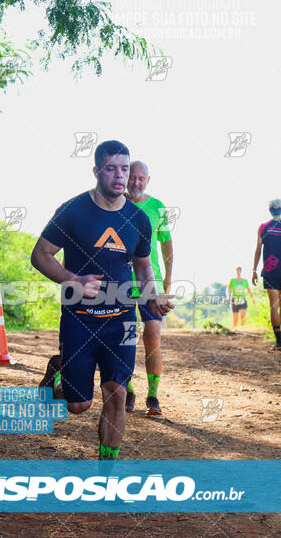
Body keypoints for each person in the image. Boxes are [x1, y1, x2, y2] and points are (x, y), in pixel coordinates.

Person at [31, 140, 174, 460]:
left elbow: (143, 267)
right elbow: (40, 255)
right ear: (96, 171)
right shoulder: (73, 211)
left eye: (125, 168)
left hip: (120, 320)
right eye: (111, 168)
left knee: (117, 393)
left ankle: (107, 471)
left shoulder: (139, 219)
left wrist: (153, 299)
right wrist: (74, 280)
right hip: (79, 318)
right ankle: (59, 372)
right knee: (79, 405)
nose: (120, 176)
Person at [125, 161, 173, 416]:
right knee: (125, 337)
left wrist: (167, 281)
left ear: (148, 180)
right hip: (120, 281)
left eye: (141, 178)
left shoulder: (158, 208)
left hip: (149, 281)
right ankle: (128, 390)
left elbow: (167, 245)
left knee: (152, 335)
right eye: (133, 177)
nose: (136, 182)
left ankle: (153, 396)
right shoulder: (114, 204)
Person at [252, 198, 281, 350]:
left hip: (270, 271)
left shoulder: (263, 227)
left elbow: (258, 250)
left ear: (270, 211)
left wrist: (254, 270)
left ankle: (279, 342)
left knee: (274, 306)